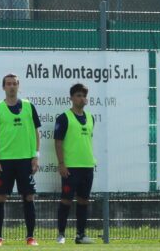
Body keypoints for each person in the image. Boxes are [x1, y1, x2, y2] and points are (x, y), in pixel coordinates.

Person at [0, 73, 41, 247]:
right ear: (3, 87)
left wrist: (36, 155)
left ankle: (30, 237)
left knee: (29, 197)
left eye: (14, 83)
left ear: (19, 86)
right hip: (5, 161)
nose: (11, 86)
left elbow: (36, 132)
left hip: (25, 160)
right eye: (8, 84)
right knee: (0, 197)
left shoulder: (28, 106)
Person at [54, 83, 96, 244]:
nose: (81, 98)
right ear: (71, 98)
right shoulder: (64, 118)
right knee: (66, 200)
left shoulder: (91, 118)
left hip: (87, 166)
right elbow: (58, 142)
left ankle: (80, 235)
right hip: (70, 168)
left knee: (84, 201)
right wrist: (62, 163)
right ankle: (61, 234)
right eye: (78, 95)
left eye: (83, 95)